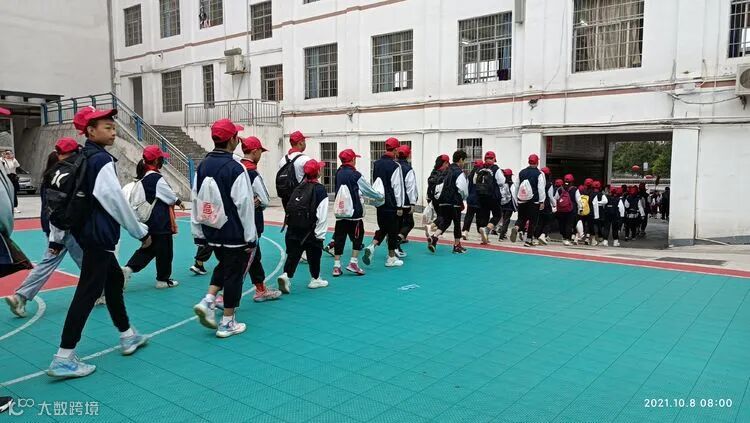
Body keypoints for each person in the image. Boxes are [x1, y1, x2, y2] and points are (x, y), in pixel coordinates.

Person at [48, 107, 150, 379]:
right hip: (99, 235)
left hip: (87, 233)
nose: (113, 131)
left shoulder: (84, 156)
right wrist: (140, 232)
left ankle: (127, 334)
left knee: (113, 280)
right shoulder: (101, 160)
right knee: (88, 292)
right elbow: (115, 201)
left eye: (113, 126)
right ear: (90, 131)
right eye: (107, 127)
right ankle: (63, 356)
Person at [191, 118, 257, 338]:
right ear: (232, 139)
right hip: (234, 233)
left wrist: (199, 233)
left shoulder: (203, 165)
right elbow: (244, 204)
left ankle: (209, 299)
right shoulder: (235, 168)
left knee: (224, 264)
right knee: (235, 275)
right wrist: (250, 237)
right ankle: (227, 321)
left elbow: (196, 198)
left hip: (212, 229)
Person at [5, 140, 85, 317]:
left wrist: (52, 235)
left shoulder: (48, 180)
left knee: (46, 264)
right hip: (67, 230)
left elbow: (48, 211)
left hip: (53, 230)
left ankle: (20, 296)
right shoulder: (66, 180)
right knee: (87, 263)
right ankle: (100, 292)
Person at [122, 146, 184, 289]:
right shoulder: (156, 178)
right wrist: (178, 201)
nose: (163, 161)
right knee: (165, 251)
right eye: (161, 159)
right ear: (156, 160)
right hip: (160, 221)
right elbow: (169, 196)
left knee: (149, 248)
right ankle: (163, 280)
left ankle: (128, 269)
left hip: (149, 222)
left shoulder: (144, 178)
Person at [240, 136, 282, 302]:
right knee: (245, 259)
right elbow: (264, 199)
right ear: (255, 151)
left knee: (253, 257)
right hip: (251, 224)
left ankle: (260, 288)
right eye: (260, 152)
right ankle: (223, 296)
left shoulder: (236, 168)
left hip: (235, 222)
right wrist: (256, 202)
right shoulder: (252, 173)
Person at [277, 160, 330, 290]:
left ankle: (286, 275)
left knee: (293, 254)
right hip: (311, 230)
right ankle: (315, 279)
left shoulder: (299, 187)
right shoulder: (320, 189)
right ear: (318, 172)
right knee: (314, 256)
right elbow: (322, 214)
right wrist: (320, 235)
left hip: (294, 228)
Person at [331, 149, 384, 277]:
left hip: (340, 212)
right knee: (357, 237)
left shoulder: (338, 173)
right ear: (353, 159)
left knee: (339, 237)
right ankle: (353, 263)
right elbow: (367, 190)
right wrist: (379, 196)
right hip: (354, 213)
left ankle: (336, 266)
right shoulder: (355, 175)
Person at [363, 137, 405, 267]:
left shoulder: (376, 164)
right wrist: (400, 206)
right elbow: (398, 187)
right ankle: (391, 258)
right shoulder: (395, 166)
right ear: (396, 149)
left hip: (380, 201)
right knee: (392, 230)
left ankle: (372, 245)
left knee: (384, 227)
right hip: (391, 202)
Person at [277, 130, 313, 263]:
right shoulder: (305, 159)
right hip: (301, 198)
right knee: (306, 225)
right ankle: (303, 253)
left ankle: (291, 251)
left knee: (291, 224)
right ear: (300, 142)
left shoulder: (283, 160)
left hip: (287, 198)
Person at [427, 150, 469, 254]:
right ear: (461, 159)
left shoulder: (446, 170)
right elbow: (463, 189)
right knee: (457, 223)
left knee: (446, 221)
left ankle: (434, 237)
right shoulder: (458, 172)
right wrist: (463, 198)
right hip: (454, 201)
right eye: (464, 160)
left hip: (442, 201)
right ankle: (456, 245)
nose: (464, 163)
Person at [511, 154, 546, 247]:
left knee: (521, 218)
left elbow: (516, 186)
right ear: (537, 162)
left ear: (528, 161)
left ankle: (516, 227)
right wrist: (542, 201)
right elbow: (541, 188)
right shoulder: (539, 174)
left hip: (522, 200)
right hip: (534, 201)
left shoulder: (522, 172)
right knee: (532, 221)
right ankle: (528, 240)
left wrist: (517, 198)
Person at [475, 152, 505, 245]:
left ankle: (484, 237)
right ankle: (487, 229)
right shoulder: (495, 169)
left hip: (481, 195)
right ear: (494, 159)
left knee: (484, 215)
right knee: (497, 214)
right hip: (493, 196)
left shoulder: (480, 169)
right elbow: (501, 182)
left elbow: (474, 180)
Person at [396, 145, 418, 256]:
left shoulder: (394, 166)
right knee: (409, 223)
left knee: (397, 224)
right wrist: (412, 202)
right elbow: (410, 187)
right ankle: (398, 240)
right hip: (405, 202)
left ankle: (396, 247)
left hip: (394, 201)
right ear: (409, 155)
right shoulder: (408, 169)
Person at [555, 174, 582, 246]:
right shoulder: (575, 189)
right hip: (571, 210)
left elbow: (556, 198)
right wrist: (580, 209)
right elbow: (579, 200)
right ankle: (567, 239)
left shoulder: (560, 189)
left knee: (562, 223)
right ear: (572, 181)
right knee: (569, 224)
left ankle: (564, 237)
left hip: (561, 210)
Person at [461, 160, 484, 240]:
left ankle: (465, 231)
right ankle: (480, 234)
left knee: (468, 216)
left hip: (471, 197)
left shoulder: (470, 175)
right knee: (479, 217)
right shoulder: (482, 174)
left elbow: (467, 186)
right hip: (479, 198)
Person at [534, 166, 556, 245]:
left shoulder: (537, 182)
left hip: (538, 203)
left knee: (539, 221)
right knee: (548, 221)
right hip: (546, 204)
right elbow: (550, 196)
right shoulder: (549, 184)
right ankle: (543, 235)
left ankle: (536, 237)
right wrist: (554, 204)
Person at [497, 168, 516, 241]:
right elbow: (514, 195)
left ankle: (503, 234)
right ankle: (501, 236)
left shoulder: (501, 184)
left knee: (502, 219)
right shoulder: (512, 185)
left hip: (502, 204)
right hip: (509, 205)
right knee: (506, 220)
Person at [590, 181, 608, 246]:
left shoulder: (591, 194)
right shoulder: (601, 194)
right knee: (599, 225)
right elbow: (605, 201)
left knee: (592, 225)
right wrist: (599, 203)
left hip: (592, 210)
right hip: (600, 211)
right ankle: (600, 239)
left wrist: (595, 203)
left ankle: (593, 239)